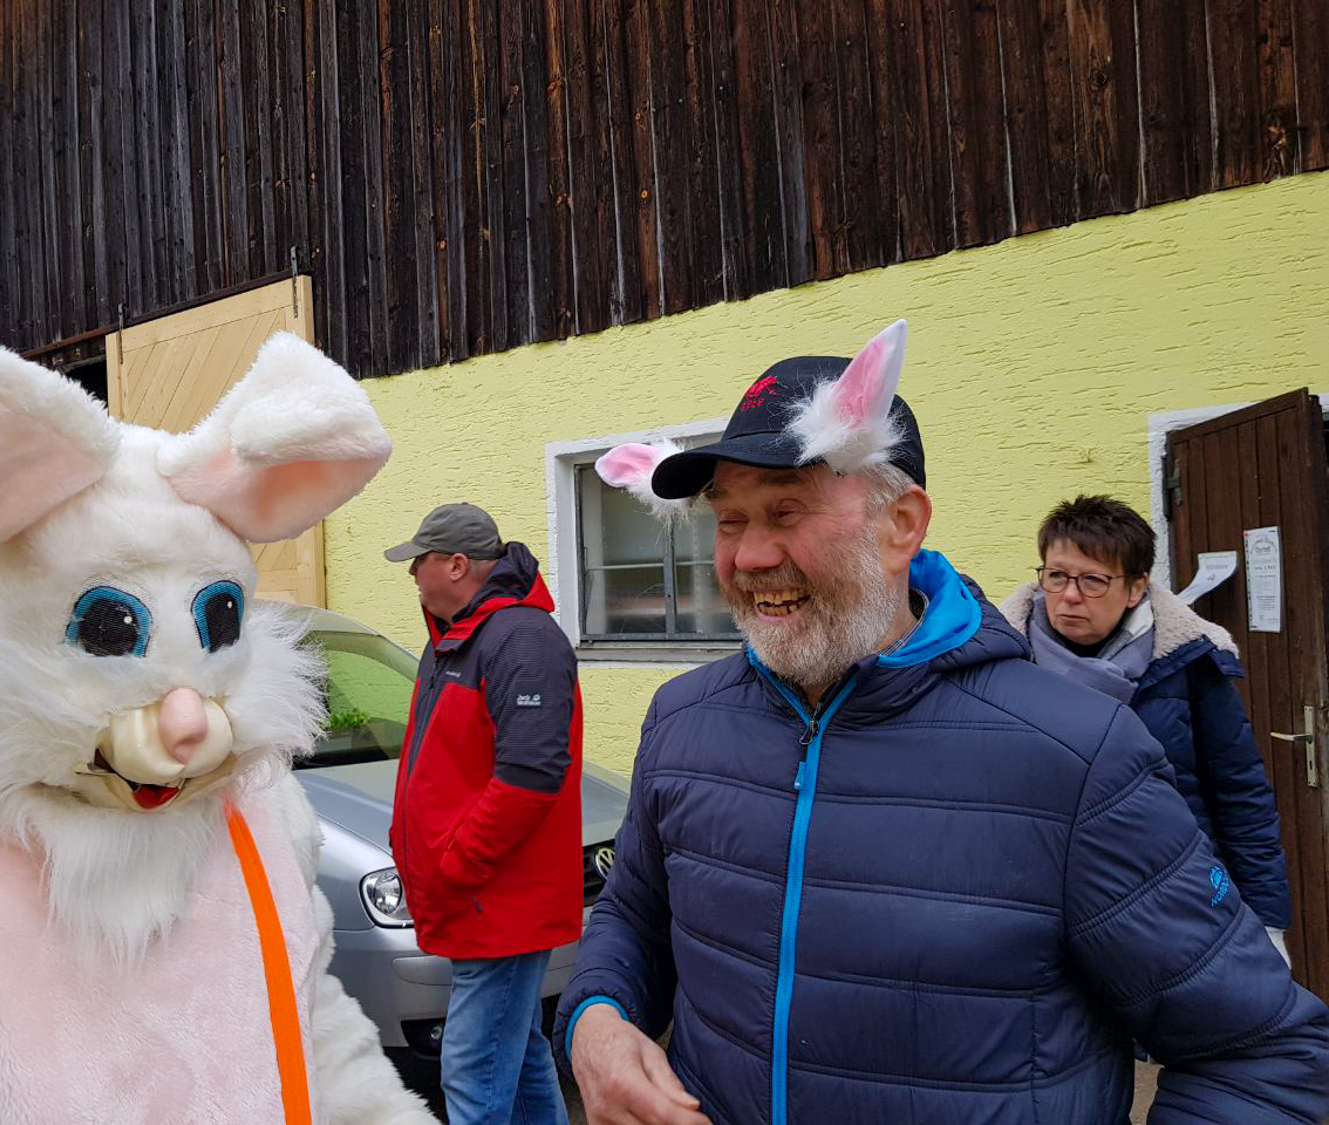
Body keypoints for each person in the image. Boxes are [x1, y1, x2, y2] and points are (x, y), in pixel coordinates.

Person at [552, 321, 1329, 1125]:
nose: (748, 557)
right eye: (730, 519)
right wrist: (595, 1019)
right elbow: (632, 918)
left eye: (786, 511)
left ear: (901, 525)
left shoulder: (1073, 754)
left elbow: (1263, 1055)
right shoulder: (683, 720)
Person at [1000, 495, 1293, 964]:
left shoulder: (1188, 662)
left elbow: (1240, 794)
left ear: (1136, 587)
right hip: (1042, 906)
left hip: (1175, 903)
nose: (1069, 595)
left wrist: (1268, 923)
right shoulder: (1003, 661)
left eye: (1093, 580)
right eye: (1056, 576)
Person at [385, 503, 582, 1125]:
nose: (411, 574)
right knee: (516, 1057)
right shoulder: (457, 639)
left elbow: (530, 778)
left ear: (456, 565)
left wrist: (458, 862)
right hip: (481, 899)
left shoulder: (520, 639)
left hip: (498, 899)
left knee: (473, 1068)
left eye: (418, 561)